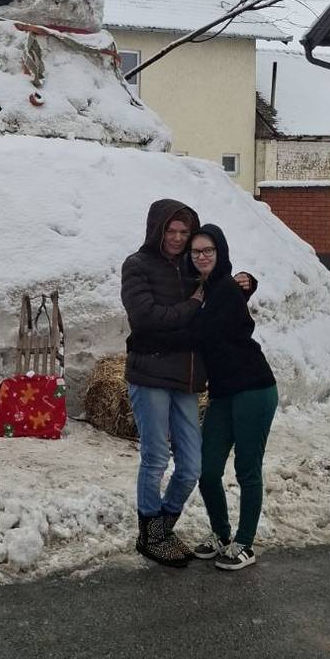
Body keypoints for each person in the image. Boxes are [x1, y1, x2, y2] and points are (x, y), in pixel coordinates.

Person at [186, 224, 278, 571]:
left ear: (220, 251)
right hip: (223, 391)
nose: (202, 256)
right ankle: (221, 534)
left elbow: (203, 329)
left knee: (247, 469)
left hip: (254, 387)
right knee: (207, 470)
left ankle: (244, 543)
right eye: (196, 252)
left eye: (208, 250)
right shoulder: (207, 288)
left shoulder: (222, 288)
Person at [121, 200, 206, 568]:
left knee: (191, 466)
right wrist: (191, 305)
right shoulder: (137, 265)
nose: (176, 238)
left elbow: (218, 288)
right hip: (151, 373)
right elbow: (145, 317)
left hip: (185, 378)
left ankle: (163, 526)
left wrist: (245, 285)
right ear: (156, 229)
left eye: (183, 232)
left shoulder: (192, 265)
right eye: (170, 231)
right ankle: (150, 534)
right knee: (156, 458)